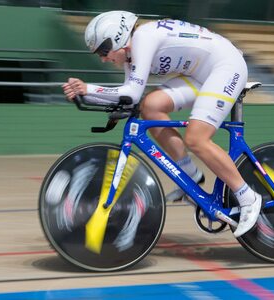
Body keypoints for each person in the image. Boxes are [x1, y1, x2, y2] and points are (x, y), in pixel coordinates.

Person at [62, 11, 262, 237]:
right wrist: (84, 95)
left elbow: (131, 92)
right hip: (201, 74)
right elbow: (131, 98)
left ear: (118, 38)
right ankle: (189, 174)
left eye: (103, 51)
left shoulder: (143, 39)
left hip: (225, 66)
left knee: (197, 138)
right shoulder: (132, 52)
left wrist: (87, 89)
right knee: (151, 106)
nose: (103, 58)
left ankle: (248, 197)